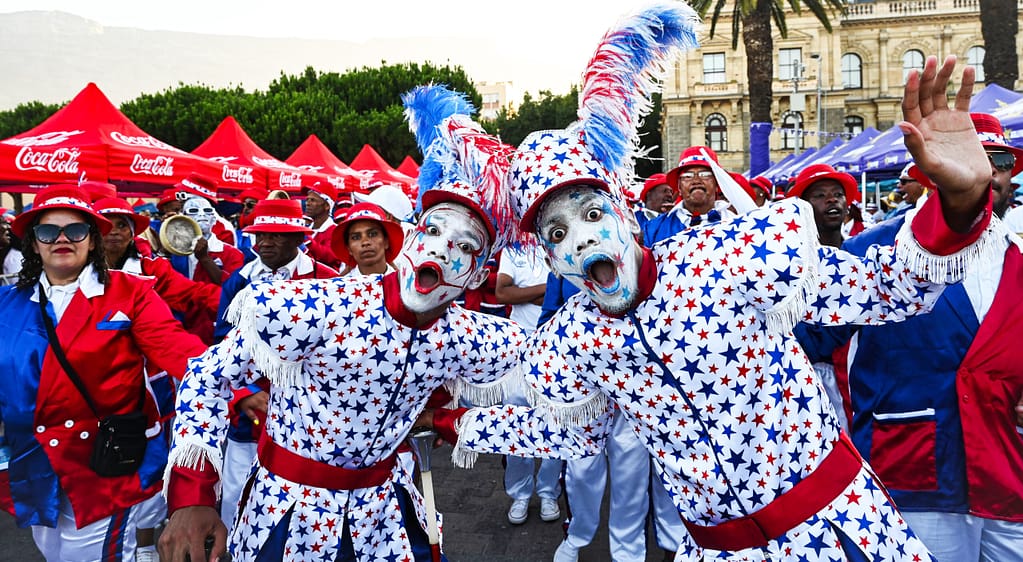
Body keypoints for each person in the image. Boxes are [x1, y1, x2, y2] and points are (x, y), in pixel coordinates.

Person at [428, 33, 994, 562]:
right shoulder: (577, 334)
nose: (580, 239)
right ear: (551, 259)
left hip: (838, 532)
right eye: (555, 234)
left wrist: (960, 202)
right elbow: (575, 432)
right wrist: (459, 423)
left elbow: (885, 286)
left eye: (593, 213)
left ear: (626, 214)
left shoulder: (724, 257)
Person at [157, 85, 527, 562]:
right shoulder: (312, 305)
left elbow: (568, 404)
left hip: (389, 519)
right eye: (432, 231)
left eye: (466, 247)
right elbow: (206, 375)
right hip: (288, 516)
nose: (440, 250)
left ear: (478, 273)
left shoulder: (474, 336)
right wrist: (192, 498)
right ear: (412, 239)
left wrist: (451, 421)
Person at [803, 111, 1023, 561]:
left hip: (1008, 476)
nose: (986, 172)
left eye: (997, 160)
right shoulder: (876, 248)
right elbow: (810, 340)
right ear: (934, 167)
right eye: (971, 157)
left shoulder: (1019, 254)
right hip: (916, 473)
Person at [0, 185, 207, 562]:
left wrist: (236, 391)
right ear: (33, 244)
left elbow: (177, 348)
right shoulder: (7, 302)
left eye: (75, 230)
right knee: (55, 553)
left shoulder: (131, 292)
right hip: (35, 465)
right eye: (48, 232)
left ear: (92, 242)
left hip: (104, 467)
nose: (62, 239)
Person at [205, 198, 339, 537]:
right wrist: (242, 393)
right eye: (258, 235)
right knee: (236, 494)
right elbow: (220, 344)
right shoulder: (239, 281)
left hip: (309, 415)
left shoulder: (327, 280)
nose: (263, 243)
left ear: (298, 238)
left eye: (275, 236)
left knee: (305, 498)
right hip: (250, 413)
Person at [493, 245, 563, 525]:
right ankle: (520, 493)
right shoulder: (514, 250)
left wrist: (530, 294)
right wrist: (548, 289)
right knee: (515, 421)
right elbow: (502, 293)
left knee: (555, 422)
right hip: (519, 345)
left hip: (557, 346)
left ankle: (548, 491)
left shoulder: (560, 244)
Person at [332, 201, 403, 278]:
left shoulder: (405, 283)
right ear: (349, 248)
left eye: (373, 234)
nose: (365, 242)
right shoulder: (339, 288)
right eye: (356, 237)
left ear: (386, 241)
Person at [302, 180, 342, 270]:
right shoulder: (307, 229)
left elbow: (330, 256)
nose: (307, 203)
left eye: (313, 200)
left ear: (327, 206)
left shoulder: (336, 231)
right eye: (307, 199)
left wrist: (306, 240)